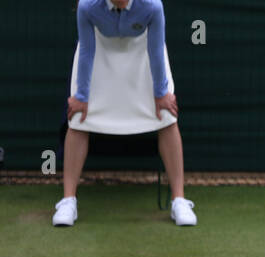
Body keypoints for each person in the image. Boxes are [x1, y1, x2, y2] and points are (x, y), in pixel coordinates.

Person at [55, 0, 195, 227]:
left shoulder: (152, 6)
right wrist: (81, 96)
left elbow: (157, 48)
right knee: (78, 119)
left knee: (168, 118)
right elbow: (87, 49)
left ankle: (179, 199)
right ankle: (68, 200)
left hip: (144, 52)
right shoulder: (87, 6)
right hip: (99, 52)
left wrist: (161, 93)